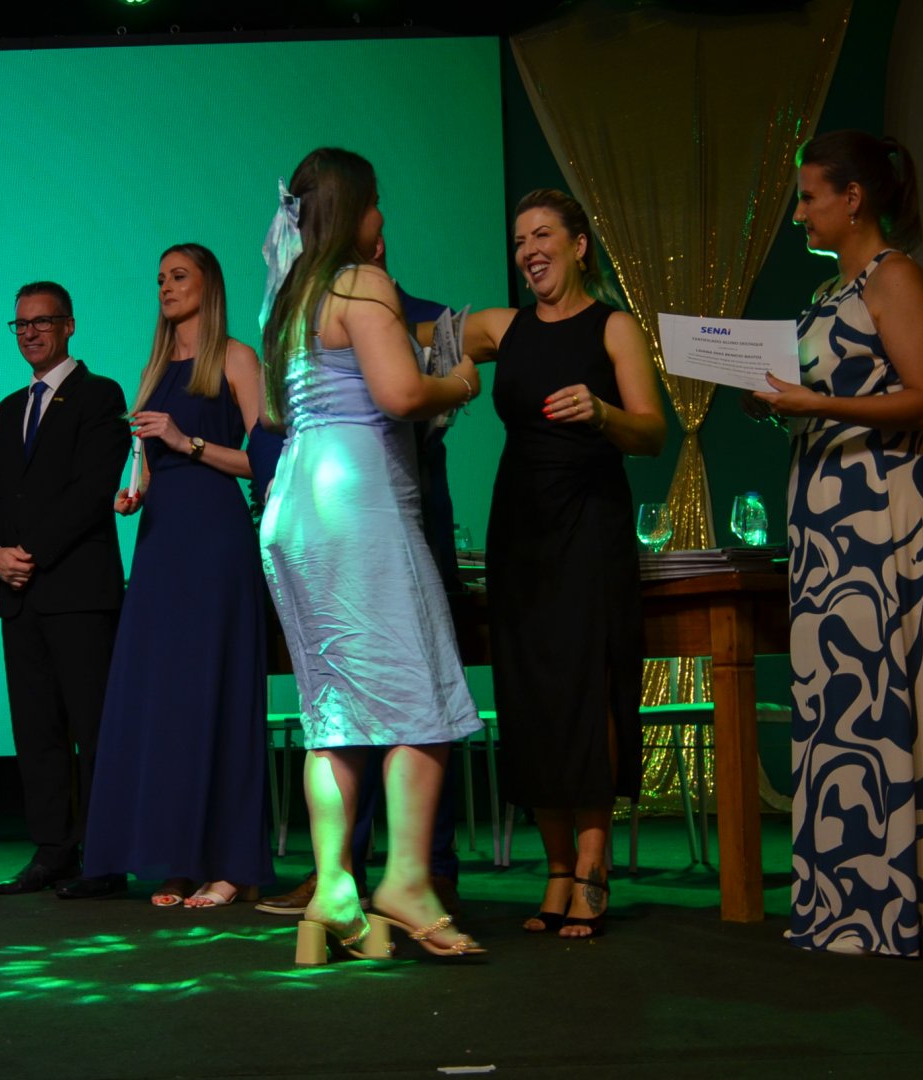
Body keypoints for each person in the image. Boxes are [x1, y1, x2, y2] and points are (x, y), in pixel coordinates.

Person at [751, 130, 923, 956]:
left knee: (891, 690)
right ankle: (847, 907)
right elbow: (830, 393)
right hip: (830, 527)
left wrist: (818, 406)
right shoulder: (828, 291)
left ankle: (909, 906)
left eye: (808, 197)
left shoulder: (896, 277)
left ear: (853, 198)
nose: (799, 214)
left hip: (888, 516)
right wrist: (777, 401)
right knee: (841, 702)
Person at [258, 147, 485, 963]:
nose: (384, 216)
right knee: (421, 695)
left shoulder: (289, 297)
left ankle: (334, 887)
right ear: (356, 208)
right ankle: (408, 883)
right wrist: (460, 381)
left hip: (295, 504)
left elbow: (277, 414)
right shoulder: (361, 283)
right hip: (357, 503)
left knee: (335, 714)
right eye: (378, 200)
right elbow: (399, 394)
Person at [452, 189, 666, 938]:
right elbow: (405, 331)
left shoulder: (615, 327)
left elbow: (653, 433)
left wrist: (602, 413)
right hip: (520, 528)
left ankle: (593, 862)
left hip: (589, 525)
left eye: (542, 235)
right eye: (519, 241)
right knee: (530, 693)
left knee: (586, 688)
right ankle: (554, 868)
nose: (528, 252)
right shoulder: (500, 326)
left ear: (578, 245)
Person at [82, 243, 272, 909]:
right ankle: (177, 861)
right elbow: (144, 458)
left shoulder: (238, 359)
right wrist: (133, 490)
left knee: (216, 693)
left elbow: (267, 462)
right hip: (161, 544)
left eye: (179, 276)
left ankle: (231, 864)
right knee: (165, 701)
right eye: (160, 277)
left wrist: (185, 442)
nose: (165, 286)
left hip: (216, 541)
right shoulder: (153, 369)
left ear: (208, 284)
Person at [0, 282, 131, 898]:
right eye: (21, 324)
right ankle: (53, 851)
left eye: (42, 322)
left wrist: (30, 554)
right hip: (18, 593)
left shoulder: (101, 394)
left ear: (69, 326)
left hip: (78, 591)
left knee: (93, 729)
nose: (30, 333)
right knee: (36, 729)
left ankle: (104, 857)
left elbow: (92, 490)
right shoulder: (8, 407)